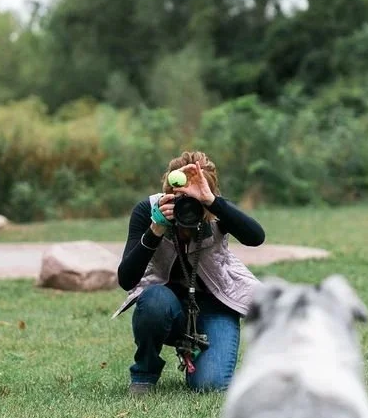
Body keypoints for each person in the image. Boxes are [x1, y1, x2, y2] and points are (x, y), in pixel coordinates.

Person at [112, 151, 266, 395]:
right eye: (181, 198)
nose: (188, 206)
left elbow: (256, 237)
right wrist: (155, 230)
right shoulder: (149, 211)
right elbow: (126, 279)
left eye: (194, 199)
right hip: (167, 306)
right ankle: (144, 374)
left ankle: (197, 351)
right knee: (153, 300)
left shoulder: (216, 211)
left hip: (215, 307)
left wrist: (211, 202)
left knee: (210, 385)